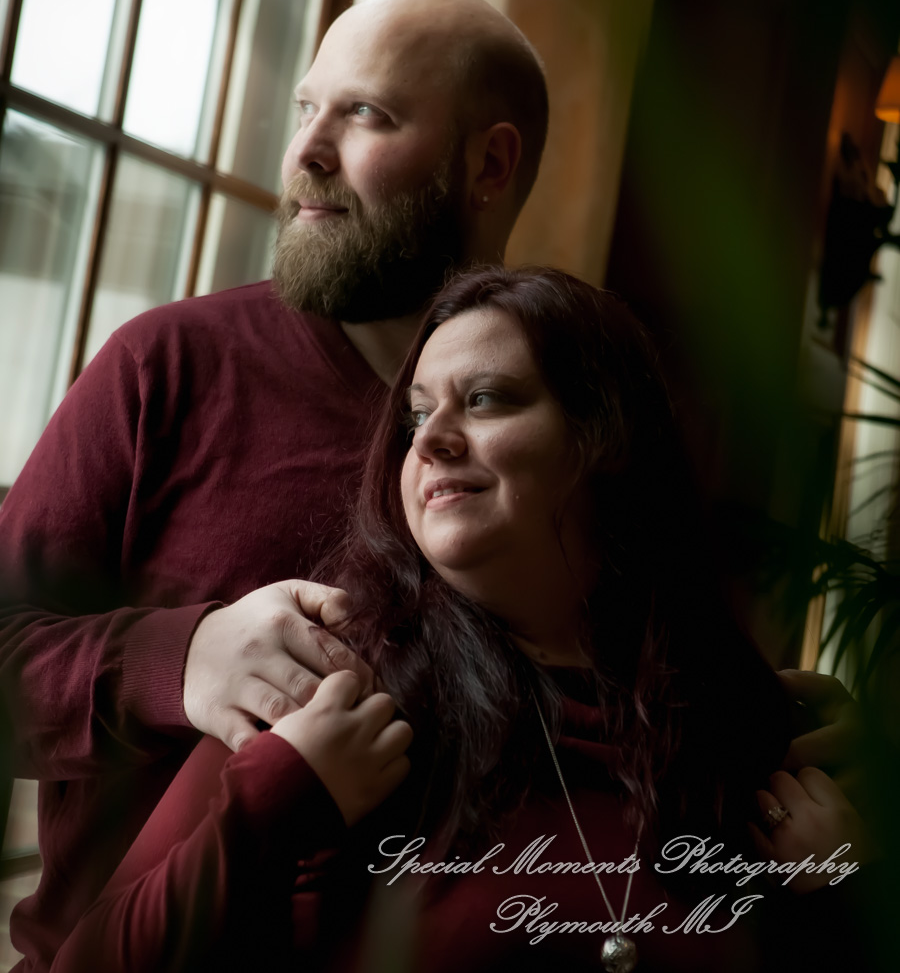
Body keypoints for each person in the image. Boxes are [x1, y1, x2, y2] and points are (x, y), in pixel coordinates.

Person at [46, 267, 869, 973]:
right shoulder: (337, 694)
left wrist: (842, 902)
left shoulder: (738, 724)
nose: (432, 439)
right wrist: (270, 800)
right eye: (415, 416)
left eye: (483, 399)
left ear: (604, 435)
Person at [0, 0, 549, 973]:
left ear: (490, 162)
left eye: (365, 113)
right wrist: (185, 659)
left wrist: (784, 741)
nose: (306, 150)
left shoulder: (559, 423)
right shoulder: (163, 367)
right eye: (306, 108)